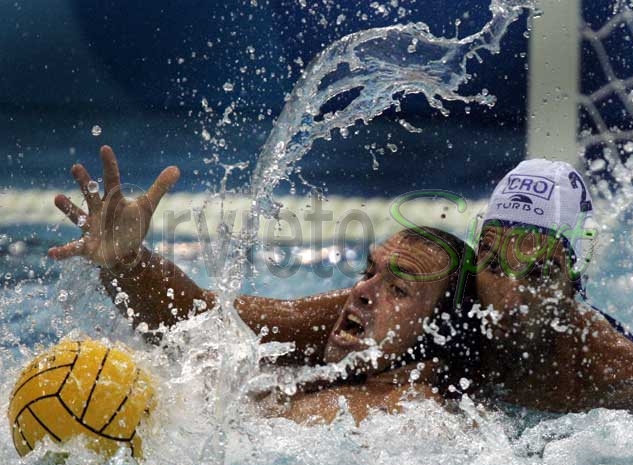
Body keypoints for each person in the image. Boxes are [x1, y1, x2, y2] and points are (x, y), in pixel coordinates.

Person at [48, 146, 476, 424]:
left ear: (438, 336)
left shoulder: (402, 417)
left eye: (398, 290)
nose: (362, 291)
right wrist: (128, 262)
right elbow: (193, 319)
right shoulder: (343, 368)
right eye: (369, 272)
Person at [463, 158, 633, 417]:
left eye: (538, 274)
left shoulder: (613, 367)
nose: (508, 300)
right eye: (494, 266)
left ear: (572, 283)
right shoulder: (442, 313)